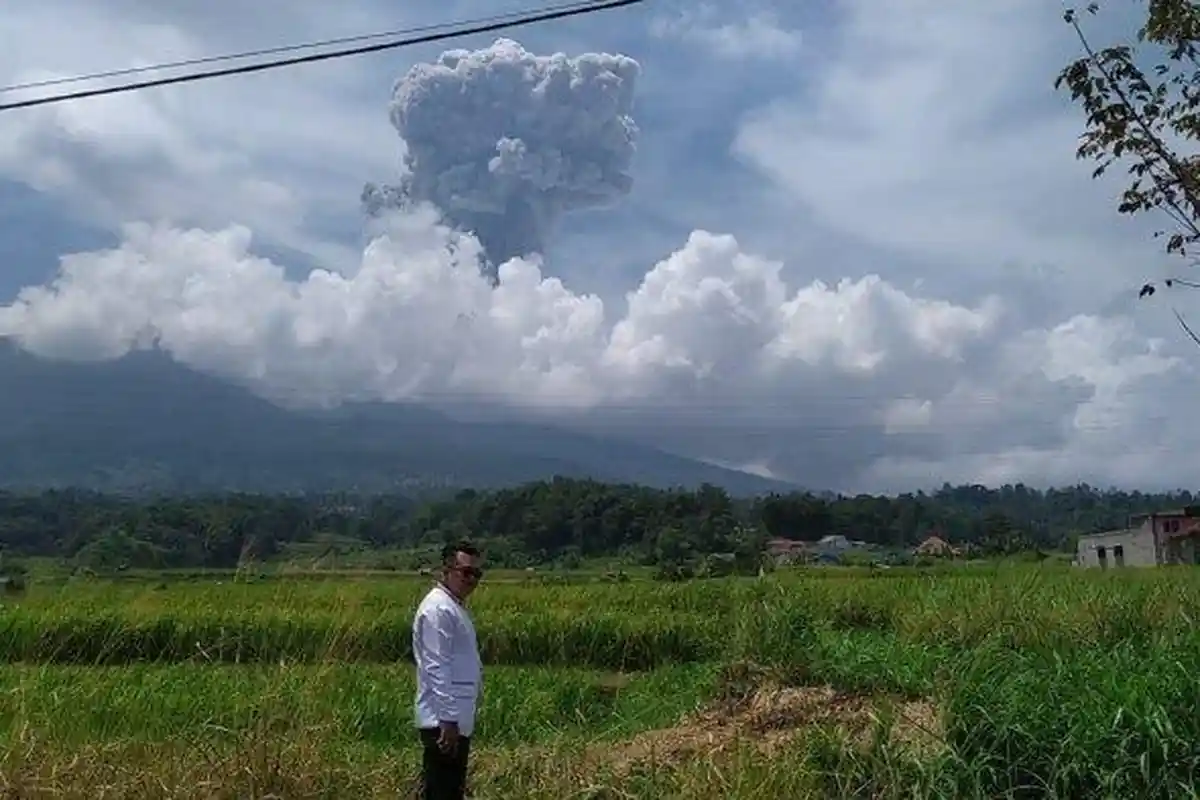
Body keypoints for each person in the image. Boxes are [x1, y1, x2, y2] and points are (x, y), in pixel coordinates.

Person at [412, 542, 484, 800]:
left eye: (476, 574)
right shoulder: (438, 609)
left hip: (454, 721)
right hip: (443, 724)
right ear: (446, 570)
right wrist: (448, 719)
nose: (471, 580)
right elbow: (436, 665)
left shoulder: (454, 606)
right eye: (465, 572)